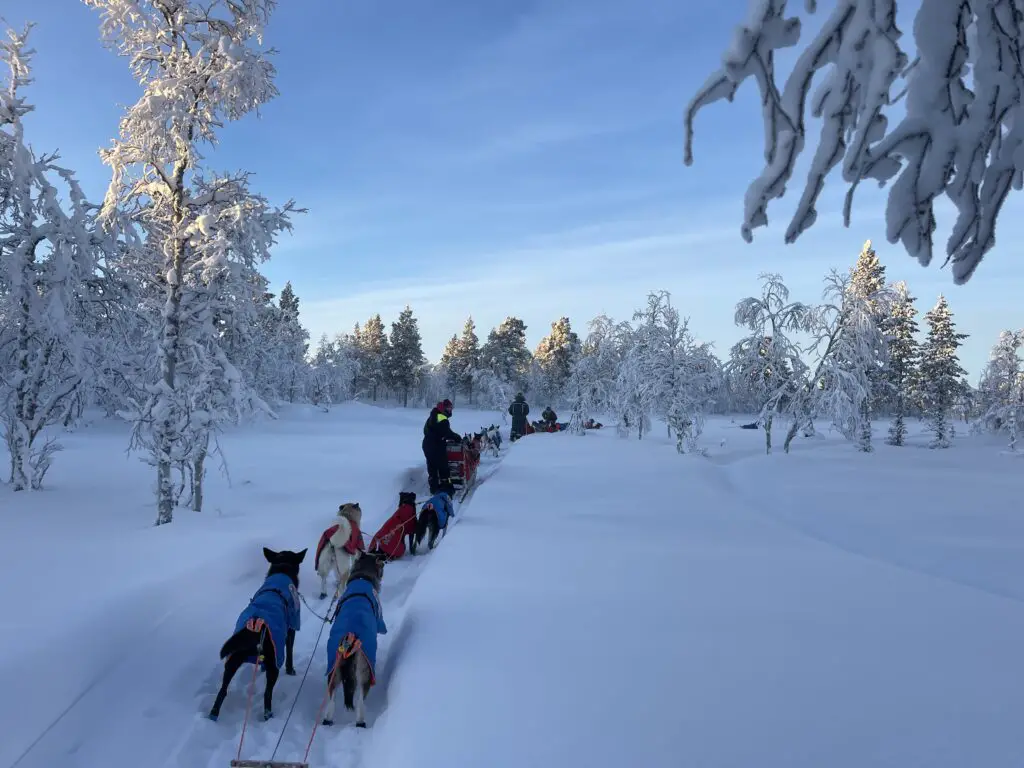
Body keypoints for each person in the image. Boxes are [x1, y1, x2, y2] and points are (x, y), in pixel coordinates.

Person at [422, 399, 460, 493]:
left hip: (427, 444)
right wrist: (456, 437)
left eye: (451, 408)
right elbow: (446, 432)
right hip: (436, 446)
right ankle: (447, 488)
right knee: (443, 468)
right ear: (444, 408)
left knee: (432, 467)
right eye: (449, 408)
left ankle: (434, 488)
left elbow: (426, 430)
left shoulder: (433, 415)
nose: (451, 410)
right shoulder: (442, 418)